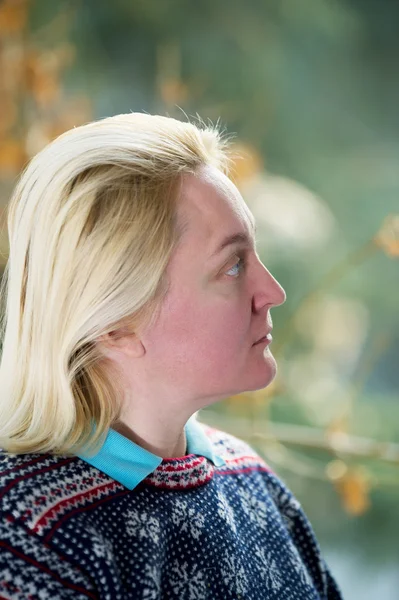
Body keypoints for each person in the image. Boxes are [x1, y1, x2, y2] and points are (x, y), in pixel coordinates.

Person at [0, 113, 343, 599]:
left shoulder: (253, 482)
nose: (273, 292)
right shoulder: (26, 541)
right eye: (233, 265)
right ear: (116, 324)